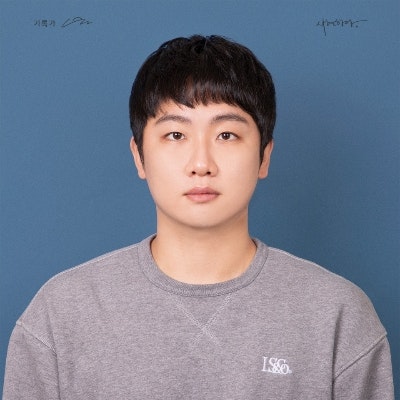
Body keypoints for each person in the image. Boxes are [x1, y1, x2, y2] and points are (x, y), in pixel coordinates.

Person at [3, 35, 394, 399]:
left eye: (227, 135)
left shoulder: (337, 314)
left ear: (264, 156)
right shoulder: (60, 314)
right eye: (175, 135)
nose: (201, 163)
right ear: (139, 156)